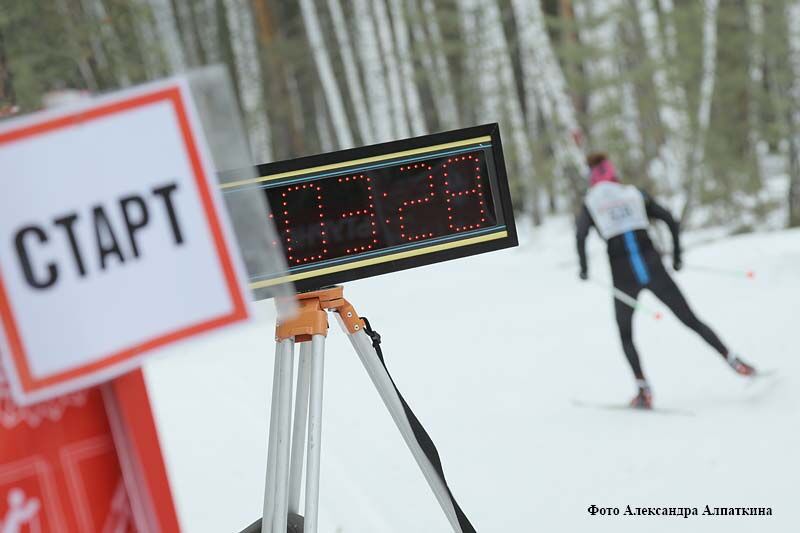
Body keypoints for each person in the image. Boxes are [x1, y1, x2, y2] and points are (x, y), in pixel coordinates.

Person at [576, 152, 757, 409]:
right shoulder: (634, 194)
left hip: (624, 277)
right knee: (691, 320)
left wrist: (584, 268)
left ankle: (643, 389)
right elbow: (670, 219)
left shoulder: (591, 202)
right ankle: (733, 360)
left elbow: (580, 235)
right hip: (654, 268)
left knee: (626, 334)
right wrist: (677, 256)